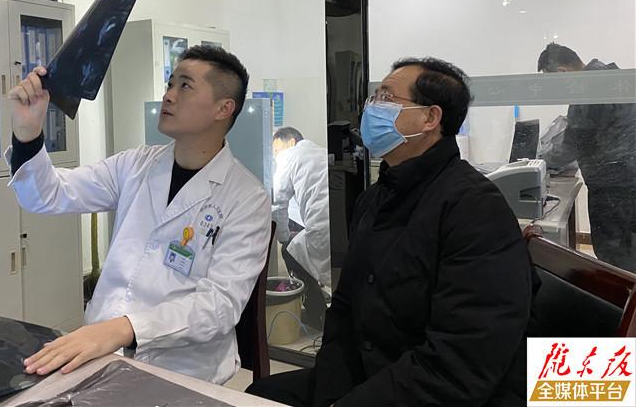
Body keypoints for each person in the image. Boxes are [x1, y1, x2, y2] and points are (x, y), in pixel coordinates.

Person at [248, 57, 534, 407]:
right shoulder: (376, 198)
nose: (371, 109)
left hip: (427, 390)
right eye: (374, 98)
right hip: (367, 374)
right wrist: (332, 388)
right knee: (258, 396)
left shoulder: (475, 209)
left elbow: (462, 359)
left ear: (430, 118)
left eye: (386, 98)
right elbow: (345, 310)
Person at [6, 45, 271, 384]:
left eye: (185, 86)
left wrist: (125, 328)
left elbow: (219, 306)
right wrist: (28, 133)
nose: (169, 95)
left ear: (224, 108)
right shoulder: (136, 164)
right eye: (170, 83)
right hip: (101, 355)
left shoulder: (246, 198)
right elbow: (48, 195)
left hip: (183, 372)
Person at [537, 43, 636, 271]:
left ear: (562, 72)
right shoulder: (609, 76)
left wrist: (541, 163)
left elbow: (573, 145)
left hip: (613, 190)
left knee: (614, 256)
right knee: (629, 249)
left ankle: (618, 293)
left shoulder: (589, 90)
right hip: (627, 182)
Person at [272, 127, 331, 329]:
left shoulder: (288, 157)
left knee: (289, 250)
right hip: (341, 224)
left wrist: (284, 237)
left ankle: (316, 314)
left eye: (276, 150)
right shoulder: (322, 152)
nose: (275, 156)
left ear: (291, 142)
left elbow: (278, 203)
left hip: (322, 229)